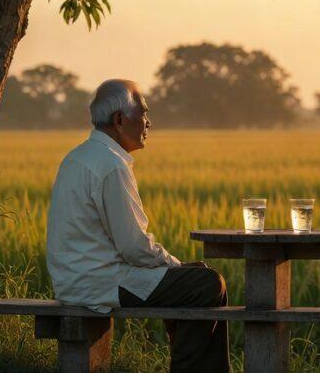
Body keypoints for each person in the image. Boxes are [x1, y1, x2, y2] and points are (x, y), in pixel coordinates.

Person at [46, 79, 229, 373]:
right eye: (143, 113)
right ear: (120, 120)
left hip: (76, 280)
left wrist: (177, 270)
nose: (149, 122)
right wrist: (175, 266)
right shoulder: (111, 165)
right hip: (101, 281)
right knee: (208, 284)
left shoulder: (78, 156)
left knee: (197, 279)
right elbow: (134, 248)